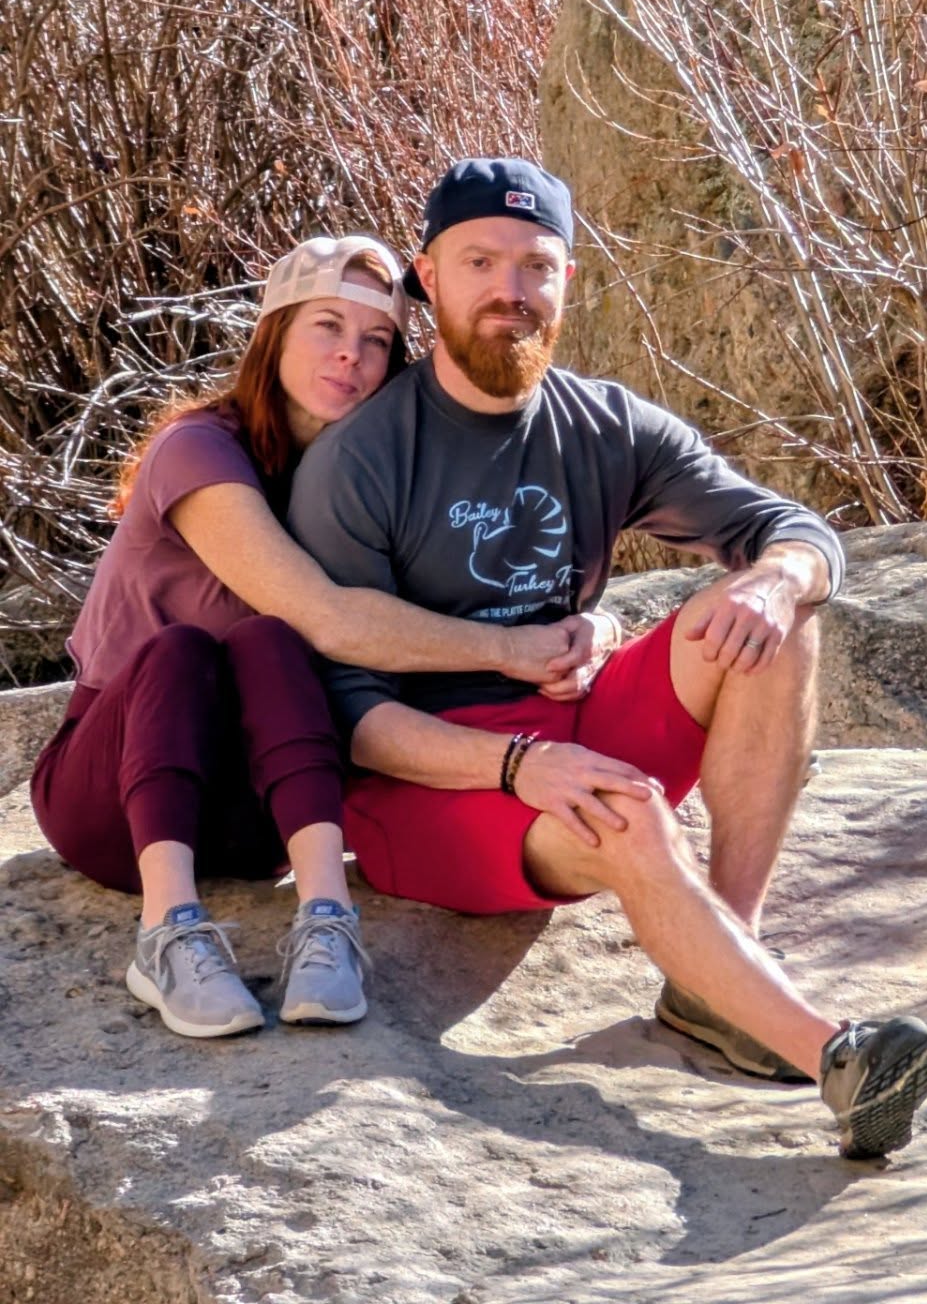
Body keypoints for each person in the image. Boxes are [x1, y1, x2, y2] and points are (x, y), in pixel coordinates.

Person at [287, 161, 927, 1159]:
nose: (510, 289)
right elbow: (345, 718)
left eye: (534, 265)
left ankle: (720, 969)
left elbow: (791, 527)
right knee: (625, 807)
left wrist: (776, 578)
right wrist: (517, 766)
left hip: (575, 726)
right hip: (431, 785)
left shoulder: (605, 425)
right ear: (429, 276)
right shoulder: (365, 458)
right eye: (478, 262)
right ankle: (836, 1058)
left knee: (773, 615)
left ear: (568, 279)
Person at [30, 236, 582, 1040]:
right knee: (201, 647)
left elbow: (478, 593)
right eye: (327, 326)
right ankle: (167, 933)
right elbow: (324, 613)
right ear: (275, 334)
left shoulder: (372, 483)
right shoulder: (200, 449)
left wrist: (583, 626)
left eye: (378, 341)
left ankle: (327, 919)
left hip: (259, 819)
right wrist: (508, 651)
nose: (350, 358)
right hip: (113, 802)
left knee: (271, 648)